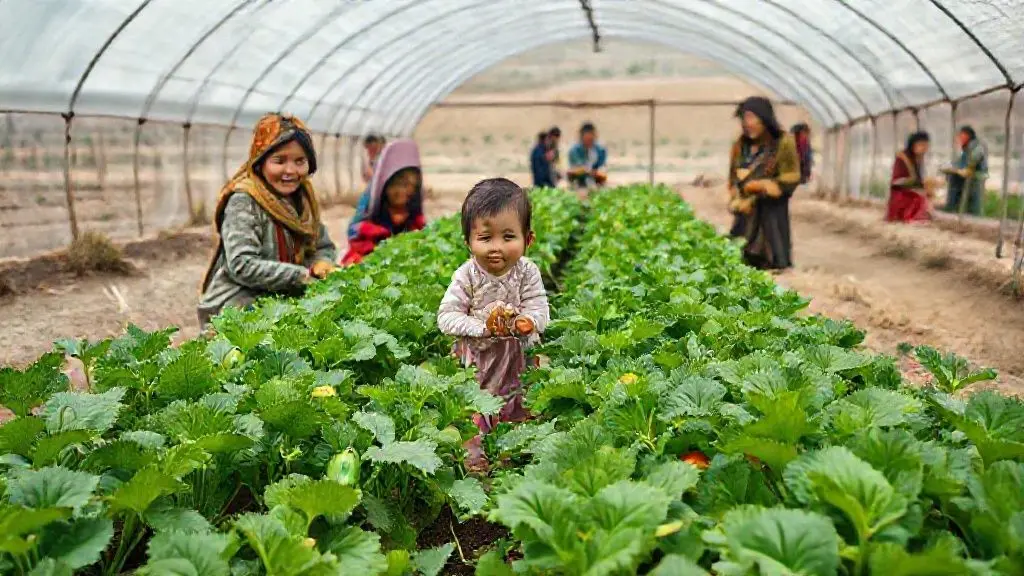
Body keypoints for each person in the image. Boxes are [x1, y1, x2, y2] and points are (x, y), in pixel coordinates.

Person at [437, 178, 549, 472]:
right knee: (475, 407)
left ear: (528, 239)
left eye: (508, 236)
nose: (496, 248)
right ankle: (474, 457)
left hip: (515, 359)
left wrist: (527, 322)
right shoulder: (466, 276)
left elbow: (540, 310)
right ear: (468, 242)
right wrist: (482, 326)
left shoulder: (527, 272)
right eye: (485, 238)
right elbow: (446, 317)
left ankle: (509, 452)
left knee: (515, 403)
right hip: (478, 362)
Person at [198, 113, 336, 328]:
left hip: (288, 294)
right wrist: (301, 276)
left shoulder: (303, 199)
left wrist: (323, 262)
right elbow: (242, 265)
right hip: (239, 301)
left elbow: (323, 245)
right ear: (260, 162)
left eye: (300, 161)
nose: (290, 171)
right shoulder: (244, 201)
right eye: (279, 161)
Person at [727, 96, 801, 270]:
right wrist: (735, 197)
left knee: (772, 260)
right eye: (744, 119)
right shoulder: (740, 146)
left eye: (752, 118)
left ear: (765, 118)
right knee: (741, 257)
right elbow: (732, 178)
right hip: (746, 213)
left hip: (771, 212)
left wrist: (763, 186)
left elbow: (792, 175)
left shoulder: (783, 143)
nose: (747, 123)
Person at [342, 139, 425, 265]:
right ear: (385, 185)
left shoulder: (415, 218)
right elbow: (354, 235)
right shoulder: (370, 209)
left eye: (410, 185)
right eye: (398, 184)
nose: (403, 191)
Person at [886, 131, 938, 223]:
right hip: (900, 193)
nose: (924, 148)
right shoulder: (902, 157)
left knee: (929, 193)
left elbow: (920, 179)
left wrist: (925, 184)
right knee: (919, 196)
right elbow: (896, 181)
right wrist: (916, 184)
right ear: (913, 145)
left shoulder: (918, 158)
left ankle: (926, 214)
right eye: (921, 145)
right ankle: (912, 216)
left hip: (912, 189)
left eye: (926, 146)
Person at [943, 125, 988, 216]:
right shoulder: (966, 149)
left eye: (961, 136)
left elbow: (971, 163)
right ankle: (954, 209)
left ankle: (957, 210)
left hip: (975, 178)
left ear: (967, 136)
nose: (959, 139)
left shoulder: (976, 147)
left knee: (973, 203)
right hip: (967, 177)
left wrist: (961, 169)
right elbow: (959, 163)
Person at [567, 122, 608, 192]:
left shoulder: (600, 150)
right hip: (579, 183)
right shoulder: (574, 150)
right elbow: (573, 170)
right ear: (581, 137)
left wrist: (596, 173)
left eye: (591, 139)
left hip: (596, 183)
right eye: (587, 139)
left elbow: (602, 169)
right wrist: (585, 170)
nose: (589, 142)